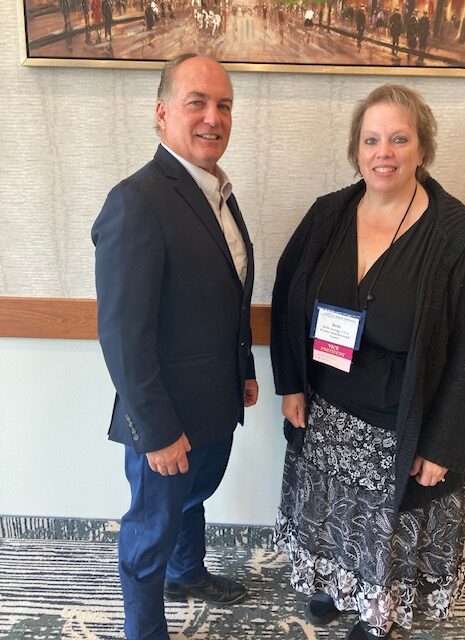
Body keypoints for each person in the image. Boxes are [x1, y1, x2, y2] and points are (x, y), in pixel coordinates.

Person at [271, 84, 465, 639]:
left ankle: (378, 610)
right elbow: (288, 297)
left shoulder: (458, 239)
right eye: (371, 140)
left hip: (400, 423)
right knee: (331, 511)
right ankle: (334, 582)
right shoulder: (328, 215)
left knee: (385, 527)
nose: (383, 152)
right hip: (326, 412)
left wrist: (445, 444)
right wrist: (290, 384)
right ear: (356, 149)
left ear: (422, 148)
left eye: (399, 139)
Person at [92, 53, 258, 640]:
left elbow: (227, 294)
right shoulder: (136, 201)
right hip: (164, 414)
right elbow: (122, 335)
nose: (214, 117)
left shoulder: (218, 191)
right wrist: (157, 430)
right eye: (197, 103)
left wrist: (243, 368)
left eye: (224, 105)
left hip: (215, 401)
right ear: (162, 113)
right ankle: (144, 629)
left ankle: (186, 573)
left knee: (193, 499)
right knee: (151, 527)